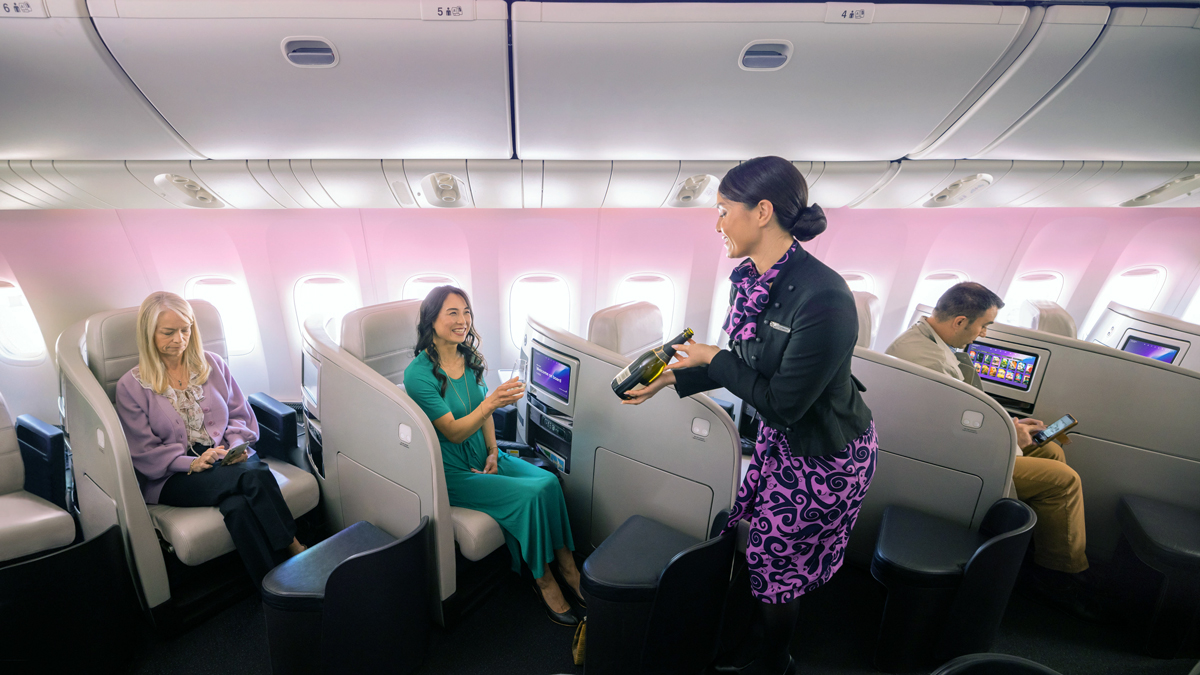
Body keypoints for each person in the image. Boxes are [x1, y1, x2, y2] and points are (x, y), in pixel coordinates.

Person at [625, 157, 877, 675]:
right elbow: (745, 365)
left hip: (824, 456)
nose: (716, 224)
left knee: (778, 567)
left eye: (723, 211)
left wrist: (711, 358)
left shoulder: (825, 297)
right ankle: (749, 637)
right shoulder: (749, 279)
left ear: (762, 211)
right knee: (756, 547)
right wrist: (672, 380)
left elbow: (785, 401)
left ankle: (772, 661)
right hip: (777, 445)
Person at [885, 282, 1096, 617]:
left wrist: (1009, 427)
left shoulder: (929, 341)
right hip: (949, 460)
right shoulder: (929, 362)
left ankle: (1036, 551)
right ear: (959, 322)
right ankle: (1059, 578)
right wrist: (1007, 436)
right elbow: (948, 436)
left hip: (958, 443)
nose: (982, 334)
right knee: (1063, 480)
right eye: (983, 326)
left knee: (1052, 451)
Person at [403, 286, 583, 626]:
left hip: (482, 451)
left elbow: (485, 415)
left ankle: (568, 567)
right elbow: (454, 430)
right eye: (452, 313)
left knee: (548, 482)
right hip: (451, 470)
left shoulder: (468, 357)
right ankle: (542, 579)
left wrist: (493, 452)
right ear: (432, 320)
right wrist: (492, 403)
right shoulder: (418, 375)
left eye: (466, 312)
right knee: (530, 495)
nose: (463, 321)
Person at [116, 292, 304, 584]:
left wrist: (233, 446)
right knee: (253, 475)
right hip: (172, 475)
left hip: (222, 456)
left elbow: (240, 414)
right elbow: (144, 453)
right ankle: (296, 549)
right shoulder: (131, 386)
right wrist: (191, 462)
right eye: (168, 332)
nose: (180, 339)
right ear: (147, 333)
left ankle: (272, 584)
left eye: (186, 329)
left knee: (238, 506)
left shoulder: (212, 364)